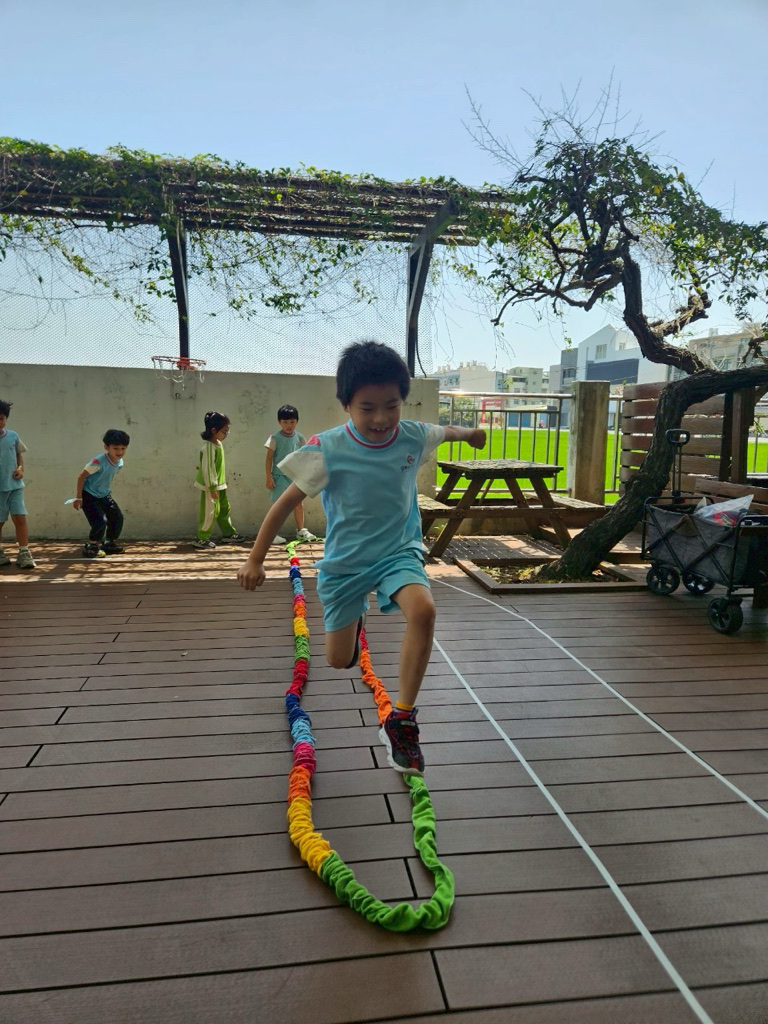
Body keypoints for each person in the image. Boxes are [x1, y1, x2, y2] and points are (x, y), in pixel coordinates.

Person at [237, 340, 486, 776]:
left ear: (402, 401)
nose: (381, 418)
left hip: (397, 552)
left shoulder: (412, 435)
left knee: (424, 611)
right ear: (347, 405)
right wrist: (256, 559)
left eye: (391, 406)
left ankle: (402, 721)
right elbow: (283, 505)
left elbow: (445, 431)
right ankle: (355, 626)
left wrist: (472, 435)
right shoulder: (327, 449)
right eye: (367, 408)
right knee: (338, 660)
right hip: (346, 564)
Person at [73, 429, 131, 558]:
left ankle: (109, 543)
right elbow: (81, 476)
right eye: (116, 448)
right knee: (100, 521)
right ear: (106, 447)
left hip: (104, 494)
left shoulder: (119, 462)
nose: (120, 452)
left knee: (117, 517)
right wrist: (79, 498)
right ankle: (92, 546)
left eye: (123, 448)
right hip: (89, 495)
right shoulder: (97, 462)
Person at [265, 404, 316, 545]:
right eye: (285, 422)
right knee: (278, 506)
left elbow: (306, 454)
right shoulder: (274, 438)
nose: (289, 425)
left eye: (292, 422)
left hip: (295, 477)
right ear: (279, 422)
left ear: (297, 421)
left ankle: (301, 531)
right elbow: (268, 459)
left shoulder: (299, 437)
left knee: (298, 504)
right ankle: (272, 534)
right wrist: (268, 477)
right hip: (279, 477)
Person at [194, 411, 245, 549]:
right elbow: (208, 469)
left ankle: (228, 533)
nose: (226, 434)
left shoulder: (218, 444)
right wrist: (212, 488)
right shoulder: (208, 447)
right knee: (210, 512)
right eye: (225, 431)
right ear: (213, 430)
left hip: (220, 485)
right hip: (211, 487)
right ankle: (201, 538)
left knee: (224, 509)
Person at [0, 399, 36, 570]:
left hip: (15, 486)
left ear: (6, 418)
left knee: (20, 518)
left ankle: (24, 552)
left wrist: (20, 469)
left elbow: (18, 455)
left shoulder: (13, 436)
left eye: (1, 418)